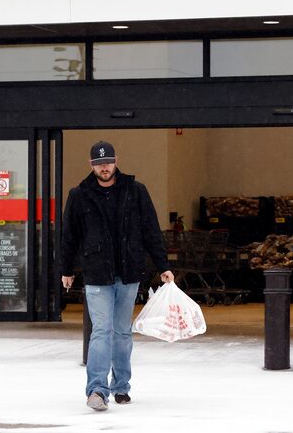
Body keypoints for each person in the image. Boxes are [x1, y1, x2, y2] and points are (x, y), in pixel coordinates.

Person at [61, 140, 174, 412]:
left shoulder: (135, 191)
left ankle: (121, 385)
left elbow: (151, 231)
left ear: (116, 161)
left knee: (122, 332)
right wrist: (66, 269)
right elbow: (69, 236)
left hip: (128, 271)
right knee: (101, 331)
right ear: (91, 165)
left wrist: (163, 265)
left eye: (108, 162)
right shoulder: (80, 194)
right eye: (99, 164)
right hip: (97, 273)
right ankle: (97, 390)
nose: (104, 168)